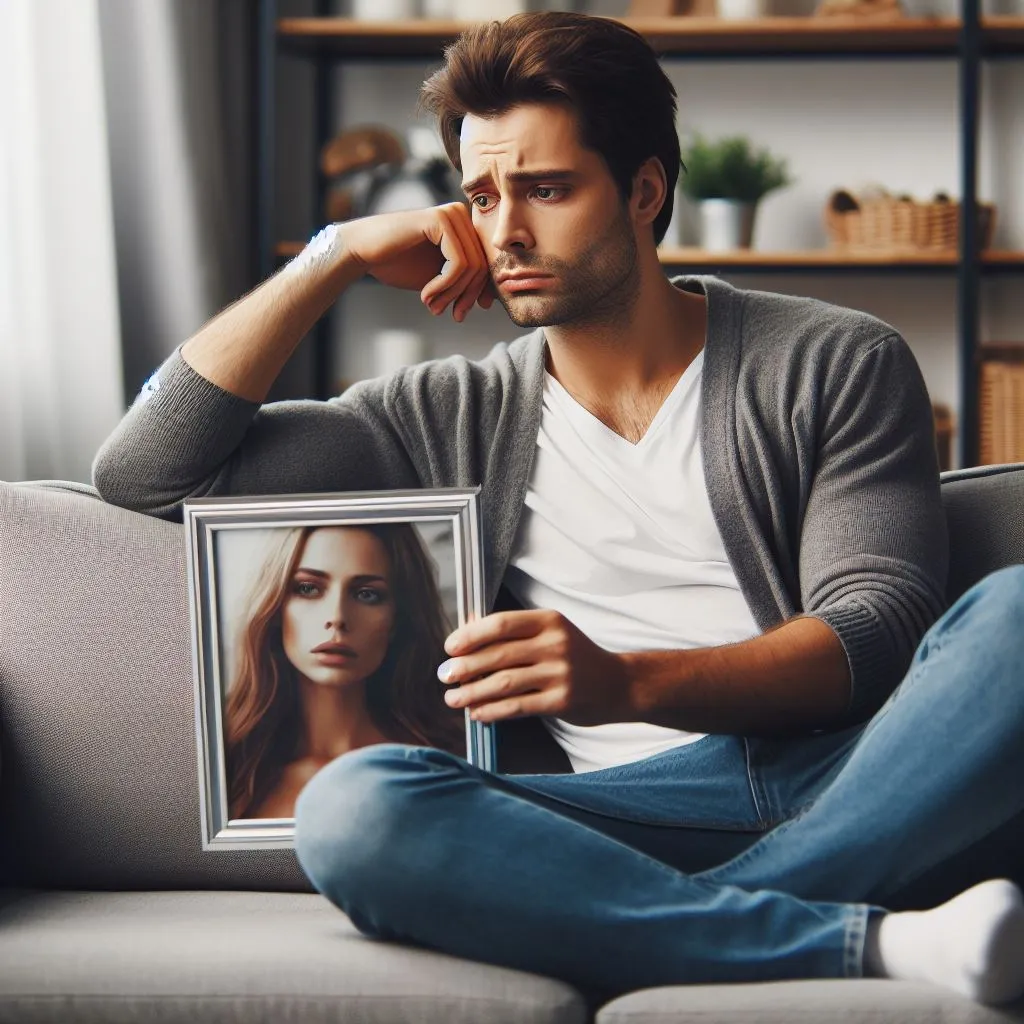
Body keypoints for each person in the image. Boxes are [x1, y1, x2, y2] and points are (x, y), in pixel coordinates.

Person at [93, 10, 1024, 1007]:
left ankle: (707, 921)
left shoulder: (832, 360)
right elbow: (145, 472)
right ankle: (861, 935)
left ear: (644, 190)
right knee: (352, 808)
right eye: (480, 195)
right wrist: (335, 256)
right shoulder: (440, 413)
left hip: (863, 778)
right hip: (627, 813)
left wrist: (623, 681)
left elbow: (869, 635)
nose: (505, 233)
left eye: (545, 189)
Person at [224, 522, 465, 819]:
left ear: (397, 620)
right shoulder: (225, 764)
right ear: (275, 609)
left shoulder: (449, 762)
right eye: (308, 588)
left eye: (367, 594)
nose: (336, 618)